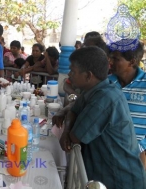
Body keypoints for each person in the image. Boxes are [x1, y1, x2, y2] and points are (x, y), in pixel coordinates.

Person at [53, 46, 146, 188]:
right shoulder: (96, 89)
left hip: (121, 178)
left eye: (73, 71)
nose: (69, 75)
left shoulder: (105, 98)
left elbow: (76, 137)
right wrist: (66, 130)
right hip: (104, 171)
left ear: (88, 76)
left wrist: (68, 133)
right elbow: (74, 110)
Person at [108, 40, 146, 169]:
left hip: (137, 154)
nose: (111, 62)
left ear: (132, 61)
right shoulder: (107, 83)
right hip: (108, 151)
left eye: (116, 59)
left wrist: (142, 146)